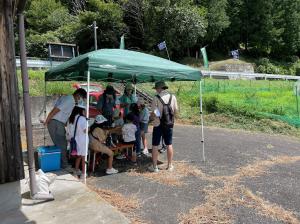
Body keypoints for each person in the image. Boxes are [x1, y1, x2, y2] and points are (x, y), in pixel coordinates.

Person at [45, 88, 87, 169]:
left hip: (57, 122)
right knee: (62, 145)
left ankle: (60, 163)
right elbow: (56, 109)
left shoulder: (69, 98)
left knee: (59, 144)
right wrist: (47, 120)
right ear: (78, 95)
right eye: (82, 98)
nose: (81, 100)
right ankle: (64, 165)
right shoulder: (69, 100)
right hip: (56, 122)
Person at [149, 81, 178, 172]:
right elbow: (176, 110)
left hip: (158, 124)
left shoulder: (156, 98)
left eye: (156, 88)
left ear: (159, 88)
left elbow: (154, 112)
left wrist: (152, 118)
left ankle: (154, 167)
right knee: (169, 144)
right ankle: (169, 166)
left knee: (155, 145)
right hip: (169, 124)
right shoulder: (172, 97)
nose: (156, 90)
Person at [67, 103, 88, 180]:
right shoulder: (82, 119)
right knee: (83, 157)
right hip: (83, 140)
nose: (85, 112)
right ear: (81, 111)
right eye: (85, 110)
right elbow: (85, 130)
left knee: (78, 156)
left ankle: (76, 171)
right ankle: (83, 173)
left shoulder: (71, 118)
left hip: (75, 140)